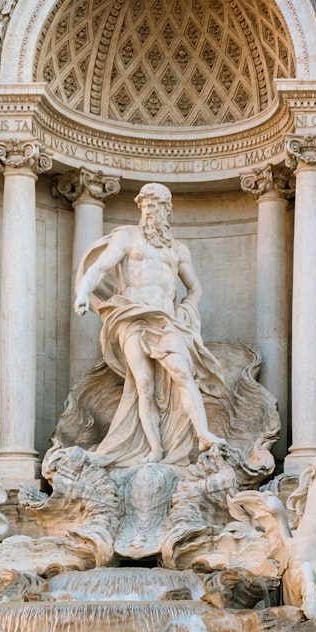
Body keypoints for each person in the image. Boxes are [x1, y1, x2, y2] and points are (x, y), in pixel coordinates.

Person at [73, 183, 226, 467]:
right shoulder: (127, 237)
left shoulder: (178, 250)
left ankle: (203, 434)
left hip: (165, 320)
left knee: (182, 373)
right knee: (143, 383)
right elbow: (101, 267)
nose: (148, 211)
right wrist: (83, 292)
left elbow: (195, 289)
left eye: (155, 206)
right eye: (144, 206)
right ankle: (155, 449)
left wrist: (186, 310)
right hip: (131, 315)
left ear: (167, 210)